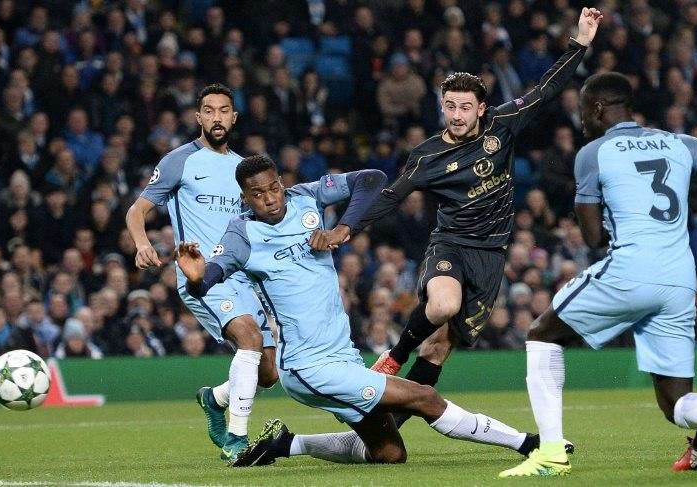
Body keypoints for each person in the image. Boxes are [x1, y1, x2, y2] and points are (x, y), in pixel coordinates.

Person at [176, 155, 563, 467]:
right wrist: (196, 278)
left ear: (282, 182)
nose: (270, 199)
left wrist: (343, 228)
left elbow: (372, 179)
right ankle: (528, 443)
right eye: (258, 194)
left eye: (274, 187)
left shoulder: (306, 197)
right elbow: (210, 276)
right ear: (245, 198)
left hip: (342, 355)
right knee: (424, 398)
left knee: (389, 453)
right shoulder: (242, 234)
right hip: (308, 367)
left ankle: (286, 444)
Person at [362, 8, 603, 428]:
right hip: (451, 244)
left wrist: (579, 43)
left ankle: (385, 429)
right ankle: (394, 356)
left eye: (465, 107)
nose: (456, 115)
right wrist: (345, 228)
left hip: (490, 256)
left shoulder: (502, 125)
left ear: (481, 108)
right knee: (443, 304)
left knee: (437, 349)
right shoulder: (428, 154)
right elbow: (391, 196)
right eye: (450, 106)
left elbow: (546, 90)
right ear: (441, 106)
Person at [500, 72, 697, 477]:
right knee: (677, 405)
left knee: (541, 334)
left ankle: (550, 453)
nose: (580, 122)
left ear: (597, 108)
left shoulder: (594, 152)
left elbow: (591, 236)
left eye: (581, 112)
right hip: (680, 278)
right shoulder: (682, 143)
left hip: (632, 269)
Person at [125, 84, 277, 462]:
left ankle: (215, 398)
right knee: (249, 339)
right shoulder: (180, 161)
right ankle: (237, 440)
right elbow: (136, 210)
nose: (216, 118)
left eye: (224, 111)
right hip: (202, 277)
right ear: (198, 118)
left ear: (234, 118)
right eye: (209, 111)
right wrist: (142, 244)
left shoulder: (243, 169)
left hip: (244, 278)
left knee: (269, 373)